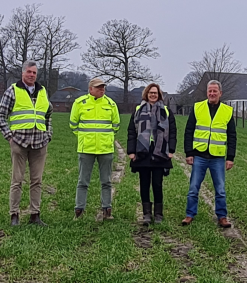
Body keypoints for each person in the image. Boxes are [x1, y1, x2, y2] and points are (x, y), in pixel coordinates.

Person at [0, 60, 52, 226]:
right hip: (19, 142)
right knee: (17, 180)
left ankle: (35, 215)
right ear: (23, 73)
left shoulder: (42, 92)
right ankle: (14, 215)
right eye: (29, 72)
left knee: (37, 181)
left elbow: (48, 115)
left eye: (34, 73)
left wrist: (48, 134)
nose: (32, 75)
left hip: (39, 143)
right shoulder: (12, 91)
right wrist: (9, 136)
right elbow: (0, 116)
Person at [182, 80, 236, 228]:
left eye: (215, 91)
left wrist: (230, 157)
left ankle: (222, 217)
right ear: (207, 93)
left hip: (217, 157)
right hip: (199, 155)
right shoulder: (197, 108)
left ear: (220, 93)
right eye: (210, 91)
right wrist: (189, 153)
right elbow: (189, 131)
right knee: (193, 188)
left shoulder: (227, 111)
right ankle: (189, 214)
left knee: (220, 190)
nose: (212, 94)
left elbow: (232, 135)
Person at [70, 77, 120, 220]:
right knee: (83, 181)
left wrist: (106, 138)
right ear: (90, 89)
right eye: (98, 87)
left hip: (105, 149)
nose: (101, 89)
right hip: (86, 148)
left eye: (103, 87)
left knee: (106, 181)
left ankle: (107, 210)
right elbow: (73, 124)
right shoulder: (80, 103)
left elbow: (116, 125)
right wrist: (85, 138)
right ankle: (79, 211)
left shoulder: (111, 104)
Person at [127, 83, 177, 225]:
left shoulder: (166, 111)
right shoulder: (138, 110)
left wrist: (171, 150)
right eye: (151, 93)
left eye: (155, 93)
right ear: (146, 94)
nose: (153, 95)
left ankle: (158, 214)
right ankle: (147, 214)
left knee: (157, 183)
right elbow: (132, 131)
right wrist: (131, 151)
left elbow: (172, 131)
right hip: (142, 152)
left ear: (159, 95)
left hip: (160, 152)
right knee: (144, 184)